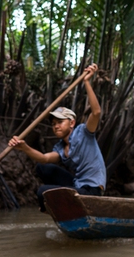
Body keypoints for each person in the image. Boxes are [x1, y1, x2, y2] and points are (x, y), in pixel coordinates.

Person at [8, 64, 107, 212]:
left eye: (60, 122)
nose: (56, 126)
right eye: (53, 124)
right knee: (43, 168)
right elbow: (44, 158)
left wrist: (86, 81)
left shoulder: (83, 132)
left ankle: (56, 207)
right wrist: (24, 147)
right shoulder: (60, 147)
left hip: (92, 190)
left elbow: (97, 112)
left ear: (72, 123)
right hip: (77, 186)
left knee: (43, 192)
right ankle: (61, 207)